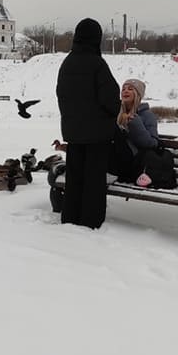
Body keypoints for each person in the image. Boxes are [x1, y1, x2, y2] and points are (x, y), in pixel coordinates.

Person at [55, 18, 120, 229]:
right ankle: (90, 221)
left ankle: (70, 217)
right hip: (97, 135)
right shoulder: (97, 64)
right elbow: (110, 100)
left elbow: (61, 95)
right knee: (94, 180)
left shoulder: (67, 63)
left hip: (73, 132)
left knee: (74, 179)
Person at [109, 78, 159, 183]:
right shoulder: (115, 112)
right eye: (123, 89)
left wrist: (135, 124)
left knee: (116, 132)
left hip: (134, 163)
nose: (125, 91)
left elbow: (152, 144)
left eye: (130, 89)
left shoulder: (147, 115)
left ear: (138, 94)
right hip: (113, 160)